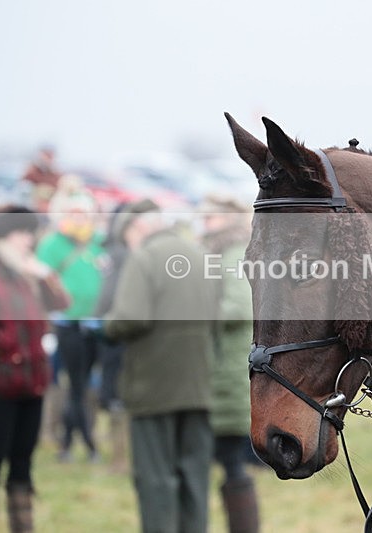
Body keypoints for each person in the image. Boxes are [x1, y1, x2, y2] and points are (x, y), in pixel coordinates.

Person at [104, 212, 219, 533]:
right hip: (198, 384)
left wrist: (106, 327)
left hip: (152, 385)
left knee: (155, 477)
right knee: (194, 474)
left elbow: (130, 317)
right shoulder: (202, 256)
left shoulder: (144, 258)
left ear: (137, 228)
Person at [0, 206, 69, 532]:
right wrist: (9, 345)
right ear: (2, 239)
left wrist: (46, 275)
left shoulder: (28, 273)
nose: (28, 240)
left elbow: (62, 304)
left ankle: (23, 527)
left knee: (23, 463)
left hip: (31, 383)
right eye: (21, 234)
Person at [198, 195, 259, 533]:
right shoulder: (220, 252)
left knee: (228, 461)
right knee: (224, 460)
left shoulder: (233, 254)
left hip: (227, 368)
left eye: (210, 218)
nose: (204, 224)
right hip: (222, 367)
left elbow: (239, 306)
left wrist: (195, 316)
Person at [36, 189, 106, 462]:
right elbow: (43, 282)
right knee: (75, 384)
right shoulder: (52, 244)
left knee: (87, 384)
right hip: (67, 324)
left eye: (84, 213)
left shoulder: (99, 241)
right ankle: (81, 443)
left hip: (95, 324)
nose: (79, 219)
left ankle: (75, 441)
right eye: (74, 213)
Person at [93, 198, 161, 473]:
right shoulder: (134, 254)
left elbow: (109, 297)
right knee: (120, 396)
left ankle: (122, 460)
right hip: (130, 336)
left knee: (119, 396)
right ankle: (124, 458)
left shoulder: (125, 255)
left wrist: (102, 323)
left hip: (122, 335)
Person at [21, 145, 61, 213]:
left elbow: (57, 189)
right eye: (45, 156)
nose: (47, 159)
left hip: (49, 208)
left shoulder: (56, 174)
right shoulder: (32, 171)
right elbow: (24, 186)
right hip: (33, 205)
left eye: (49, 156)